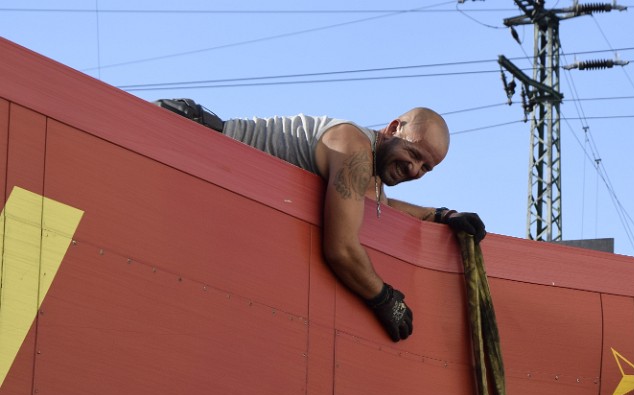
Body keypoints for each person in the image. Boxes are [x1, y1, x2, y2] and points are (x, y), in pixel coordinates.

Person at [154, 99, 486, 342]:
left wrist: (444, 216)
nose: (414, 170)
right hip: (188, 134)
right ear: (393, 128)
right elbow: (340, 248)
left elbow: (384, 205)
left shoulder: (367, 169)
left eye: (426, 168)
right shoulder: (353, 148)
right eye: (414, 154)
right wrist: (385, 299)